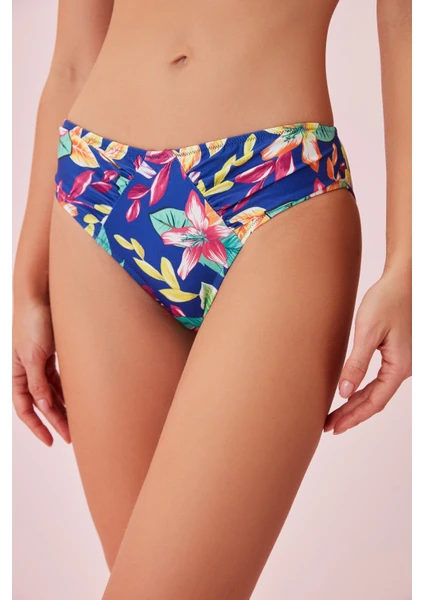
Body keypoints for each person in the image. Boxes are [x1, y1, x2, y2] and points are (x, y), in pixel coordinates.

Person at [12, 0, 411, 597]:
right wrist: (26, 283)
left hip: (274, 188)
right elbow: (72, 60)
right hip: (98, 188)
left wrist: (406, 266)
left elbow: (406, 23)